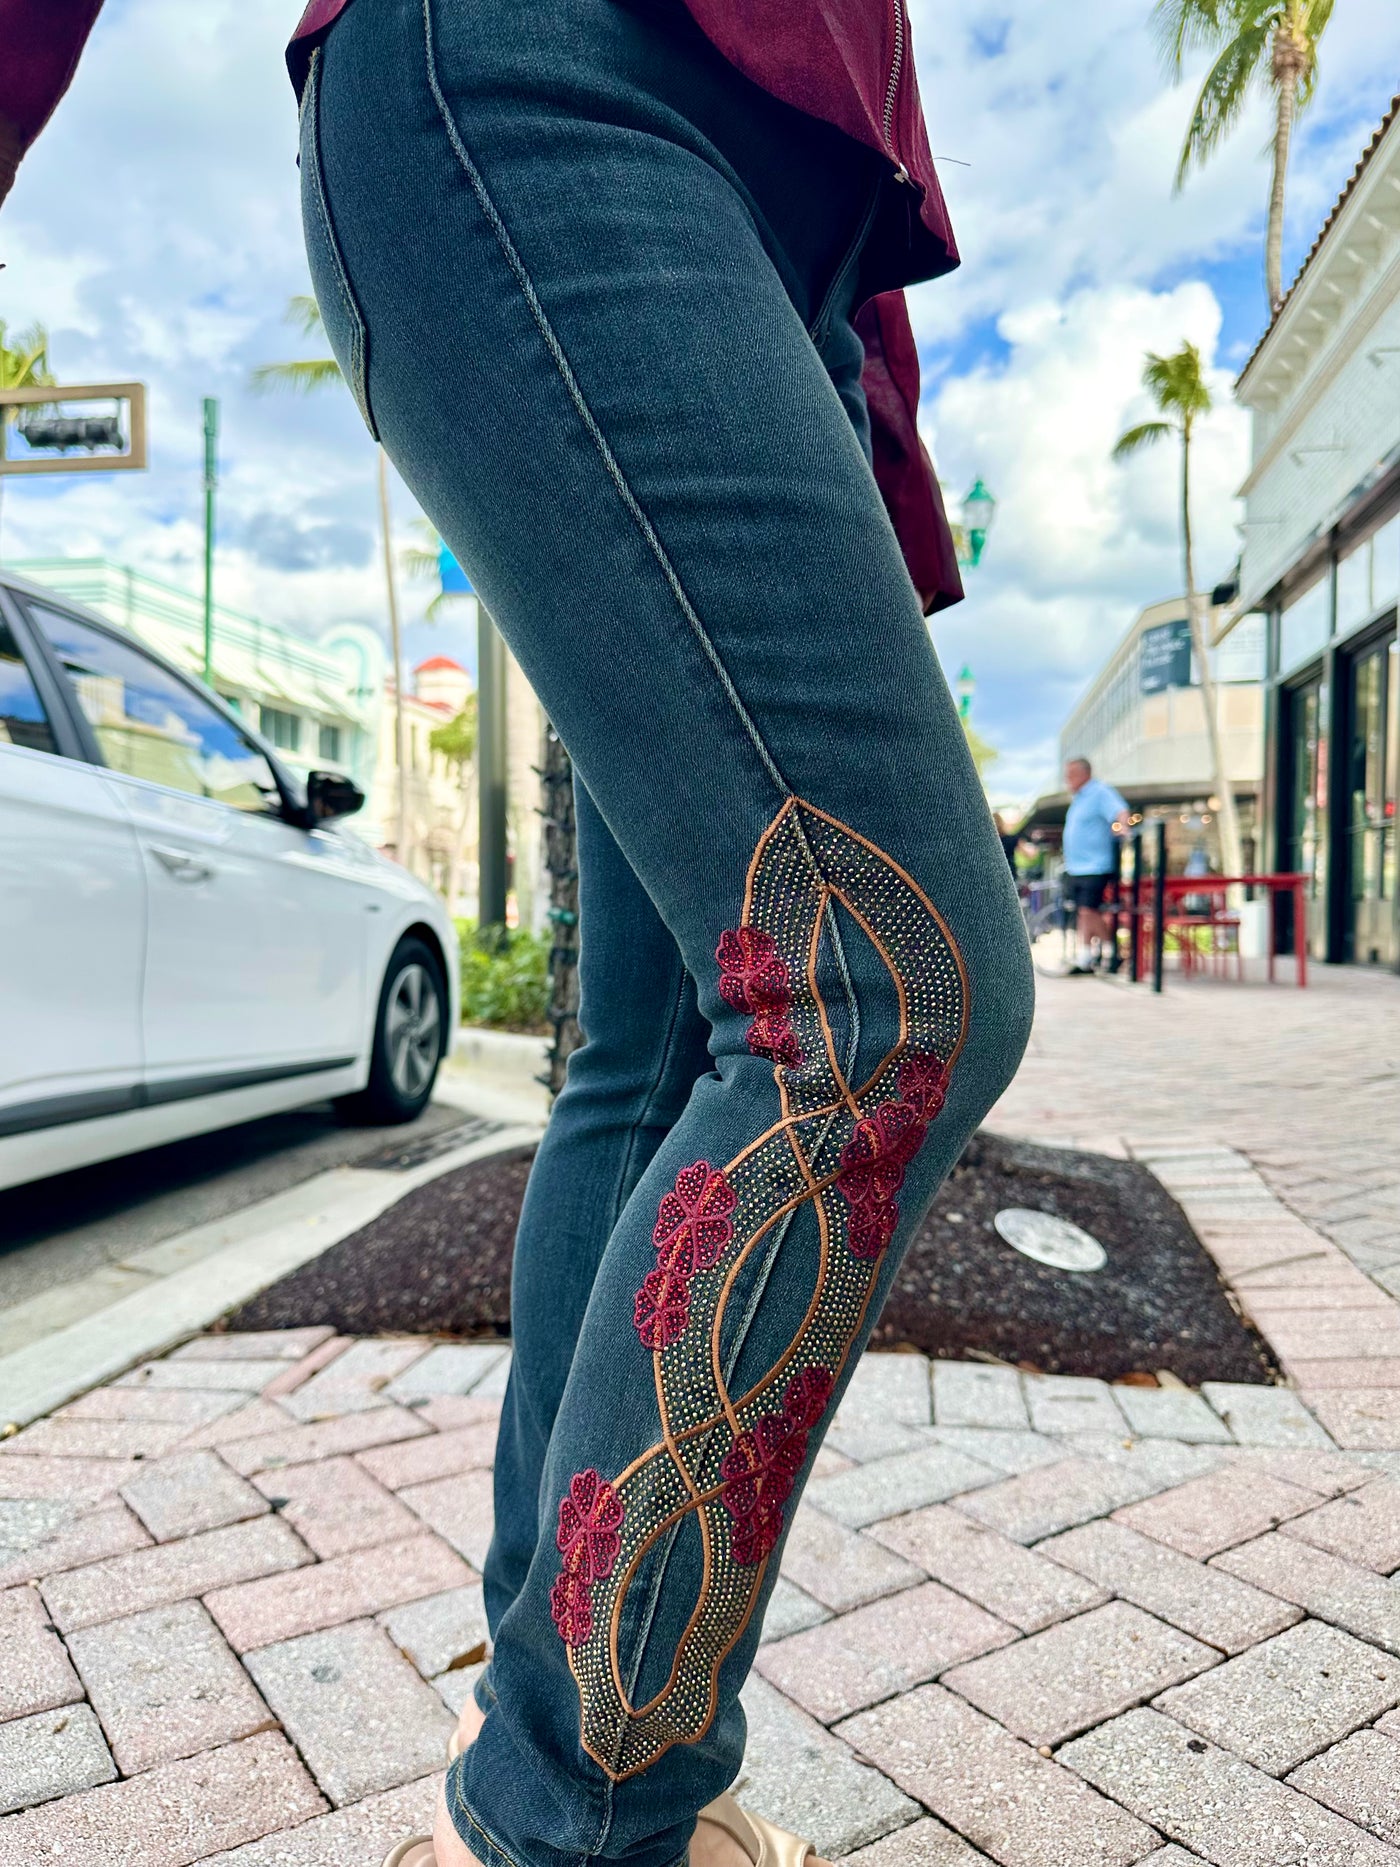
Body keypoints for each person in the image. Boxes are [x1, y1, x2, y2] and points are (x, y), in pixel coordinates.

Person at [2, 6, 1035, 1864]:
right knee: (880, 986)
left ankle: (553, 1759)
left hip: (766, 236)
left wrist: (861, 439)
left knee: (645, 1068)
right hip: (545, 88)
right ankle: (574, 1820)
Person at [1061, 756, 1128, 976]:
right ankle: (1086, 957)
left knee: (1088, 910)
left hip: (1095, 865)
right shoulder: (1079, 798)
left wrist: (1122, 829)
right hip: (1077, 867)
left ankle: (1112, 952)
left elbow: (1120, 812)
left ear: (1083, 773)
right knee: (1083, 913)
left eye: (1071, 774)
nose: (1067, 779)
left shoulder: (1099, 791)